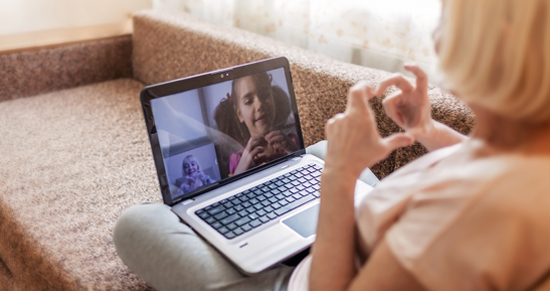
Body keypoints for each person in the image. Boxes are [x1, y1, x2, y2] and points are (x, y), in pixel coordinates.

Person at [113, 0, 550, 290]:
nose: (437, 39)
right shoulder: (527, 149)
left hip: (312, 277)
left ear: (500, 48)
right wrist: (426, 129)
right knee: (316, 151)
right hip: (363, 229)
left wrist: (339, 178)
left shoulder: (466, 218)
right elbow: (477, 157)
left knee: (137, 223)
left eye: (451, 20)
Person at [214, 72, 299, 176]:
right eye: (249, 101)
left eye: (264, 95)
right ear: (239, 114)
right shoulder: (239, 159)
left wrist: (294, 151)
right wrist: (240, 172)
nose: (260, 105)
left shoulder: (290, 142)